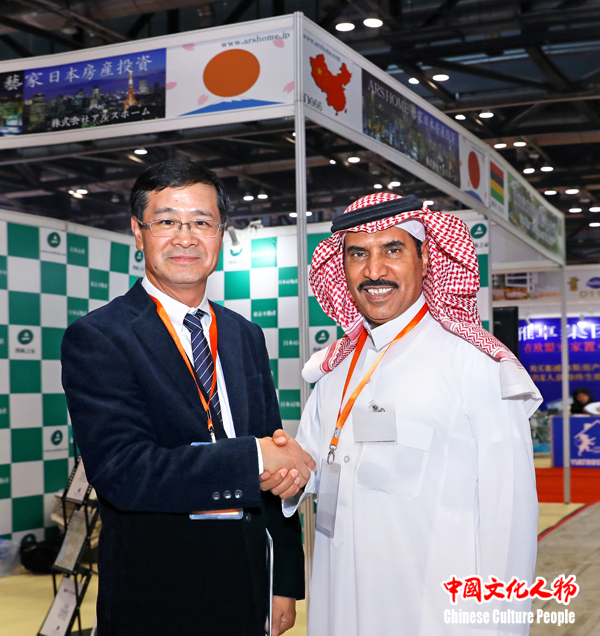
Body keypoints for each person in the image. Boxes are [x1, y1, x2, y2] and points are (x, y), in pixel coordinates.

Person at [263, 193, 542, 635]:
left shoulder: (475, 365)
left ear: (425, 259)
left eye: (392, 250)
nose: (374, 271)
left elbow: (509, 520)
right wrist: (284, 469)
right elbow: (313, 467)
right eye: (358, 254)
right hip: (342, 604)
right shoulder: (334, 372)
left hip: (435, 615)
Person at [61, 160, 316, 636]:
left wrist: (283, 579)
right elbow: (123, 472)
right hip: (157, 594)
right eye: (167, 222)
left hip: (249, 583)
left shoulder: (244, 335)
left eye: (201, 222)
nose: (185, 238)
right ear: (138, 232)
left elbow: (273, 448)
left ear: (220, 234)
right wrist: (254, 457)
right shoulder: (100, 337)